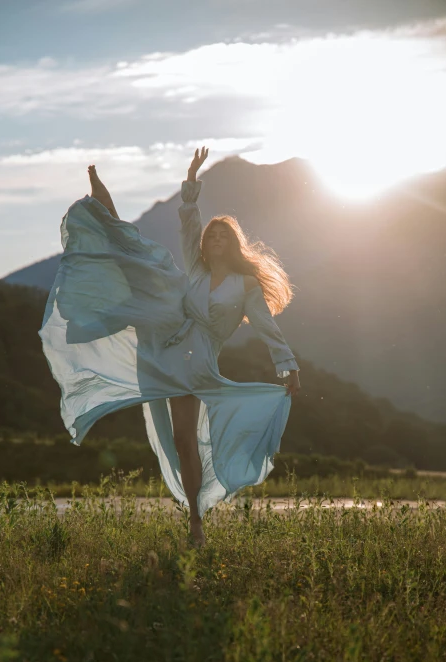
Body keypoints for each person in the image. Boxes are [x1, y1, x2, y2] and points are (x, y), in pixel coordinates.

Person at [39, 147, 300, 546]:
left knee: (183, 438)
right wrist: (192, 181)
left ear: (232, 244)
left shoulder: (245, 286)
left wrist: (287, 365)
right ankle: (102, 207)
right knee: (135, 259)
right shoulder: (196, 271)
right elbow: (189, 225)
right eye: (210, 236)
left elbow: (266, 326)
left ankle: (195, 518)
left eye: (221, 236)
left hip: (199, 358)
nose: (213, 240)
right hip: (166, 343)